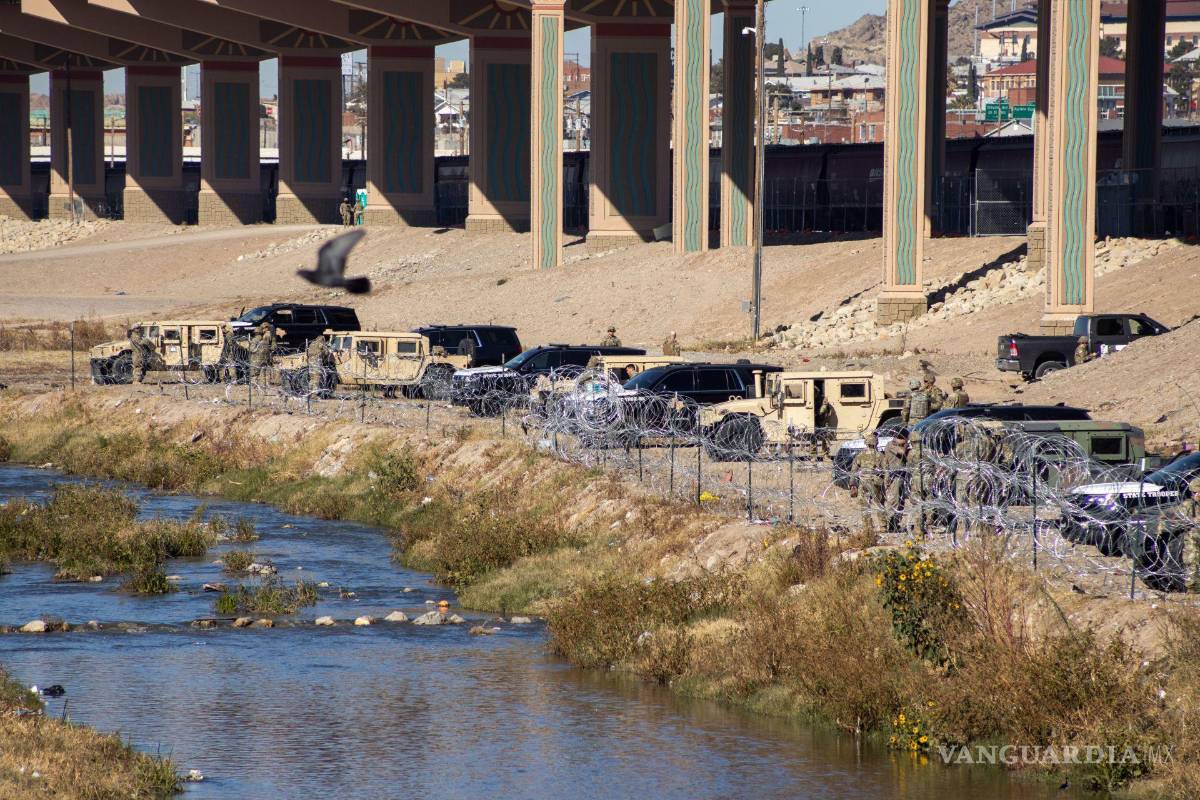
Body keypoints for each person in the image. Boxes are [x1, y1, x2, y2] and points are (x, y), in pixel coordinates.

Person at [851, 431, 887, 534]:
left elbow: (853, 471)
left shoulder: (860, 455)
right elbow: (886, 470)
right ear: (876, 443)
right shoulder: (880, 455)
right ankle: (883, 525)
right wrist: (885, 481)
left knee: (865, 505)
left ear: (866, 443)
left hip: (864, 483)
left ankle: (867, 527)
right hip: (876, 483)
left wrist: (852, 484)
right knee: (880, 504)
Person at [882, 428, 911, 533]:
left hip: (902, 476)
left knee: (901, 501)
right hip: (895, 476)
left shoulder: (899, 444)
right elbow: (902, 452)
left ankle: (896, 523)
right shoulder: (891, 445)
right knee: (894, 501)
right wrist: (906, 444)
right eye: (906, 439)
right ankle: (890, 523)